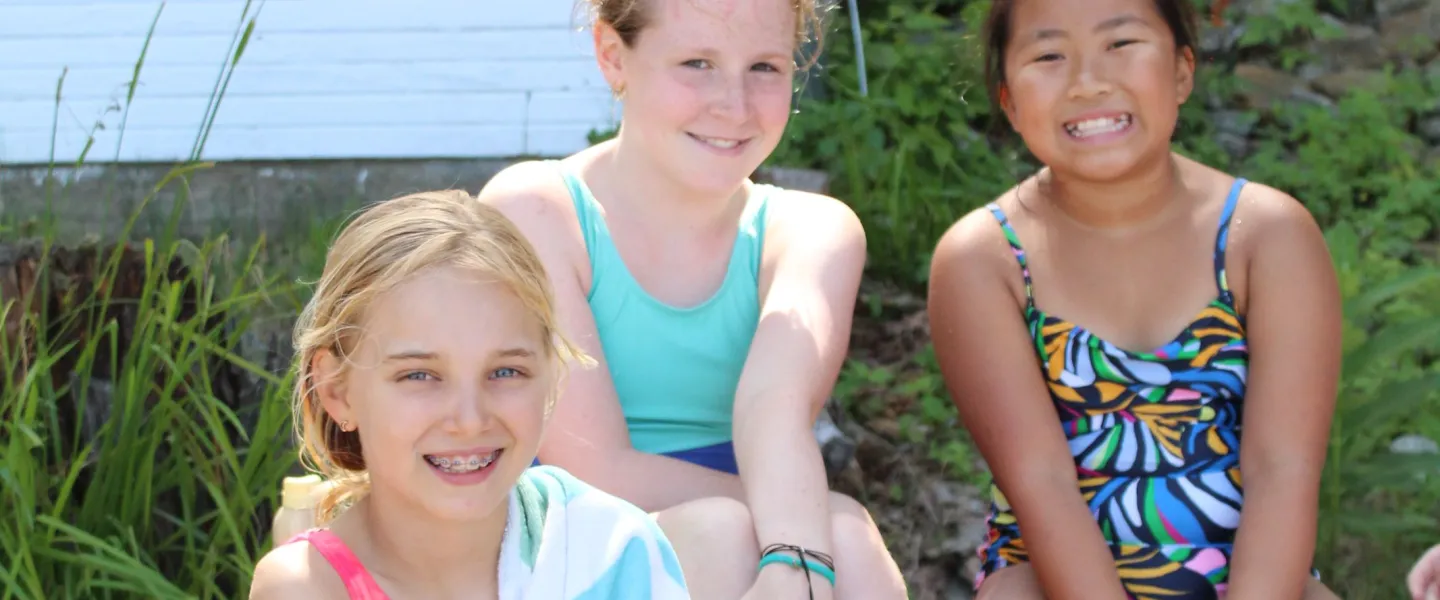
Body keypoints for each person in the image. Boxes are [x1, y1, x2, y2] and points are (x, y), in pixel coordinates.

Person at [476, 0, 908, 598]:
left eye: (765, 67)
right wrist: (792, 535)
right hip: (561, 536)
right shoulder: (537, 211)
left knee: (847, 540)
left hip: (744, 516)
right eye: (697, 62)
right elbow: (594, 467)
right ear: (612, 55)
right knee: (745, 532)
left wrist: (797, 558)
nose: (733, 106)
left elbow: (775, 413)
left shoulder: (811, 232)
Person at [925, 0, 1345, 598]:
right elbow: (1040, 481)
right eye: (1049, 55)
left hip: (1258, 574)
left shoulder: (1267, 235)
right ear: (1010, 102)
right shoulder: (984, 258)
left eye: (1120, 44)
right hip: (1052, 575)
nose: (1088, 82)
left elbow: (1283, 471)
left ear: (1181, 71)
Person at [248, 191, 690, 599]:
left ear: (551, 377)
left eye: (505, 371)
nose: (470, 418)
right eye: (419, 376)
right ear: (336, 390)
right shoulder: (309, 587)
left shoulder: (611, 552)